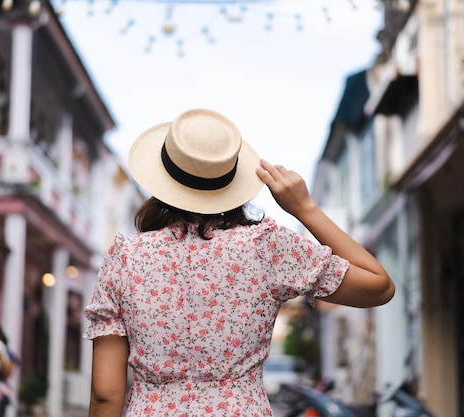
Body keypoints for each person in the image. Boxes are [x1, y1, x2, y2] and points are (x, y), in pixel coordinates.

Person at [83, 108, 395, 417]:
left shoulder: (126, 257)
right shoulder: (267, 247)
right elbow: (378, 287)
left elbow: (106, 395)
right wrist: (305, 209)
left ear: (163, 178)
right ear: (231, 181)